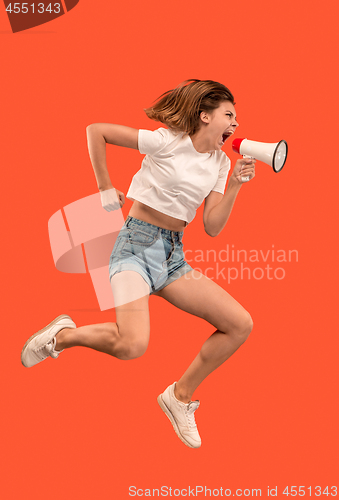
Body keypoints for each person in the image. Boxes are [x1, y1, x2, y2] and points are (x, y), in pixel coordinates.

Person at [21, 79, 255, 449]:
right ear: (205, 116)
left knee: (239, 324)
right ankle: (61, 337)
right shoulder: (168, 141)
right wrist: (103, 187)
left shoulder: (221, 163)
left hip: (173, 257)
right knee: (131, 345)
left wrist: (238, 185)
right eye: (230, 115)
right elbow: (96, 131)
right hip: (135, 247)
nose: (236, 123)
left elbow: (211, 226)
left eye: (237, 117)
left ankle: (179, 398)